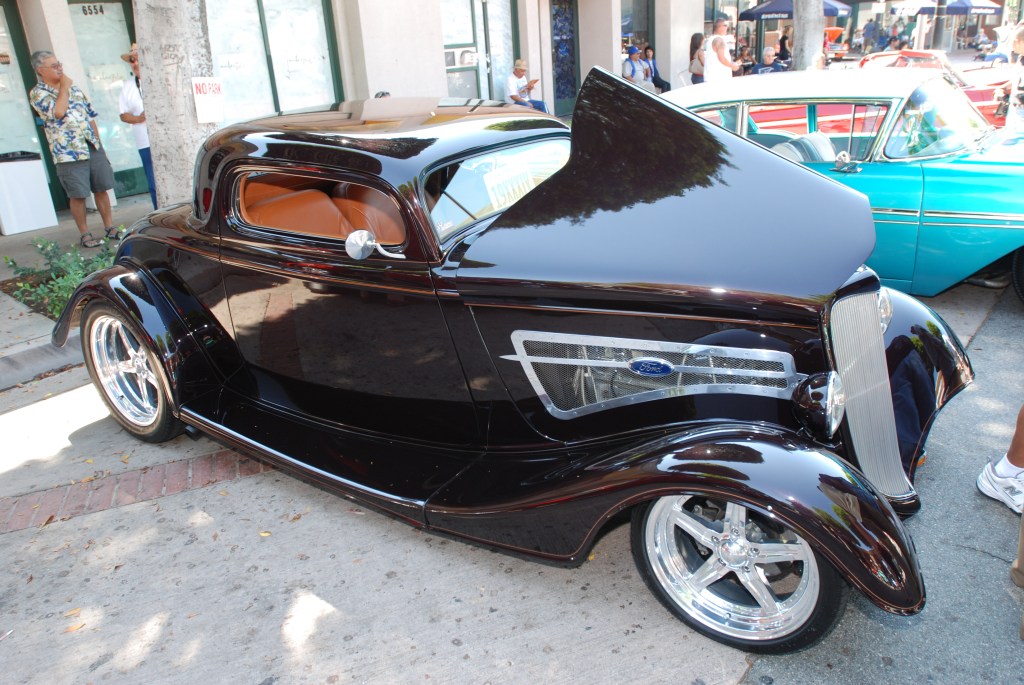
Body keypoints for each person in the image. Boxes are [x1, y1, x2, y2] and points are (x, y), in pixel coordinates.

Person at [29, 50, 116, 248]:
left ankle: (110, 227)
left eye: (59, 64)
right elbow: (58, 112)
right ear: (41, 70)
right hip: (68, 152)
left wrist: (99, 145)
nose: (60, 68)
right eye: (54, 66)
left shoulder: (75, 90)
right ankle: (85, 234)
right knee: (78, 194)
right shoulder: (39, 93)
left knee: (101, 187)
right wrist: (65, 88)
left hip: (90, 145)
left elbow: (90, 118)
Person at [118, 43, 156, 210]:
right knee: (153, 182)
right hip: (145, 141)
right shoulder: (128, 86)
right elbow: (123, 114)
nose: (134, 63)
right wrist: (138, 118)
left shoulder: (158, 79)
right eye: (132, 60)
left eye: (137, 59)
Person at [995, 26, 1024, 133]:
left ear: (1018, 42)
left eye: (1012, 42)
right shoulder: (1021, 59)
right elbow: (1019, 80)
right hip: (1015, 110)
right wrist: (1003, 88)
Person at [705, 18, 741, 84]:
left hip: (712, 78)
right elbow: (721, 58)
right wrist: (733, 66)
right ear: (719, 26)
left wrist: (732, 63)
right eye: (725, 25)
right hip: (719, 79)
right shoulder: (719, 40)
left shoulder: (710, 40)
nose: (727, 28)